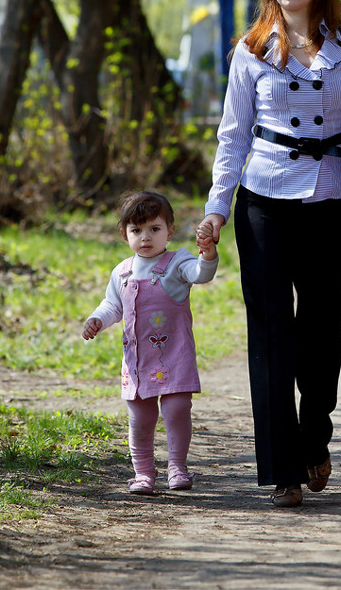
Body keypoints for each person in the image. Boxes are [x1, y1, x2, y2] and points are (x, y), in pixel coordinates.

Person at [199, 0, 341, 508]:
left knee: (321, 333)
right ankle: (282, 468)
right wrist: (217, 209)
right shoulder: (251, 48)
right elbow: (232, 136)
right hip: (263, 200)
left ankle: (316, 434)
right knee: (269, 334)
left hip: (332, 198)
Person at [82, 191, 218, 495]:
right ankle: (143, 472)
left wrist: (206, 255)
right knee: (140, 417)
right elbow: (111, 306)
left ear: (169, 230)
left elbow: (200, 274)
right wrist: (97, 320)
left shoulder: (177, 262)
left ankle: (177, 468)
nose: (146, 237)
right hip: (138, 362)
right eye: (137, 230)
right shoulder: (122, 272)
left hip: (174, 356)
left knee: (177, 409)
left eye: (154, 229)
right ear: (124, 234)